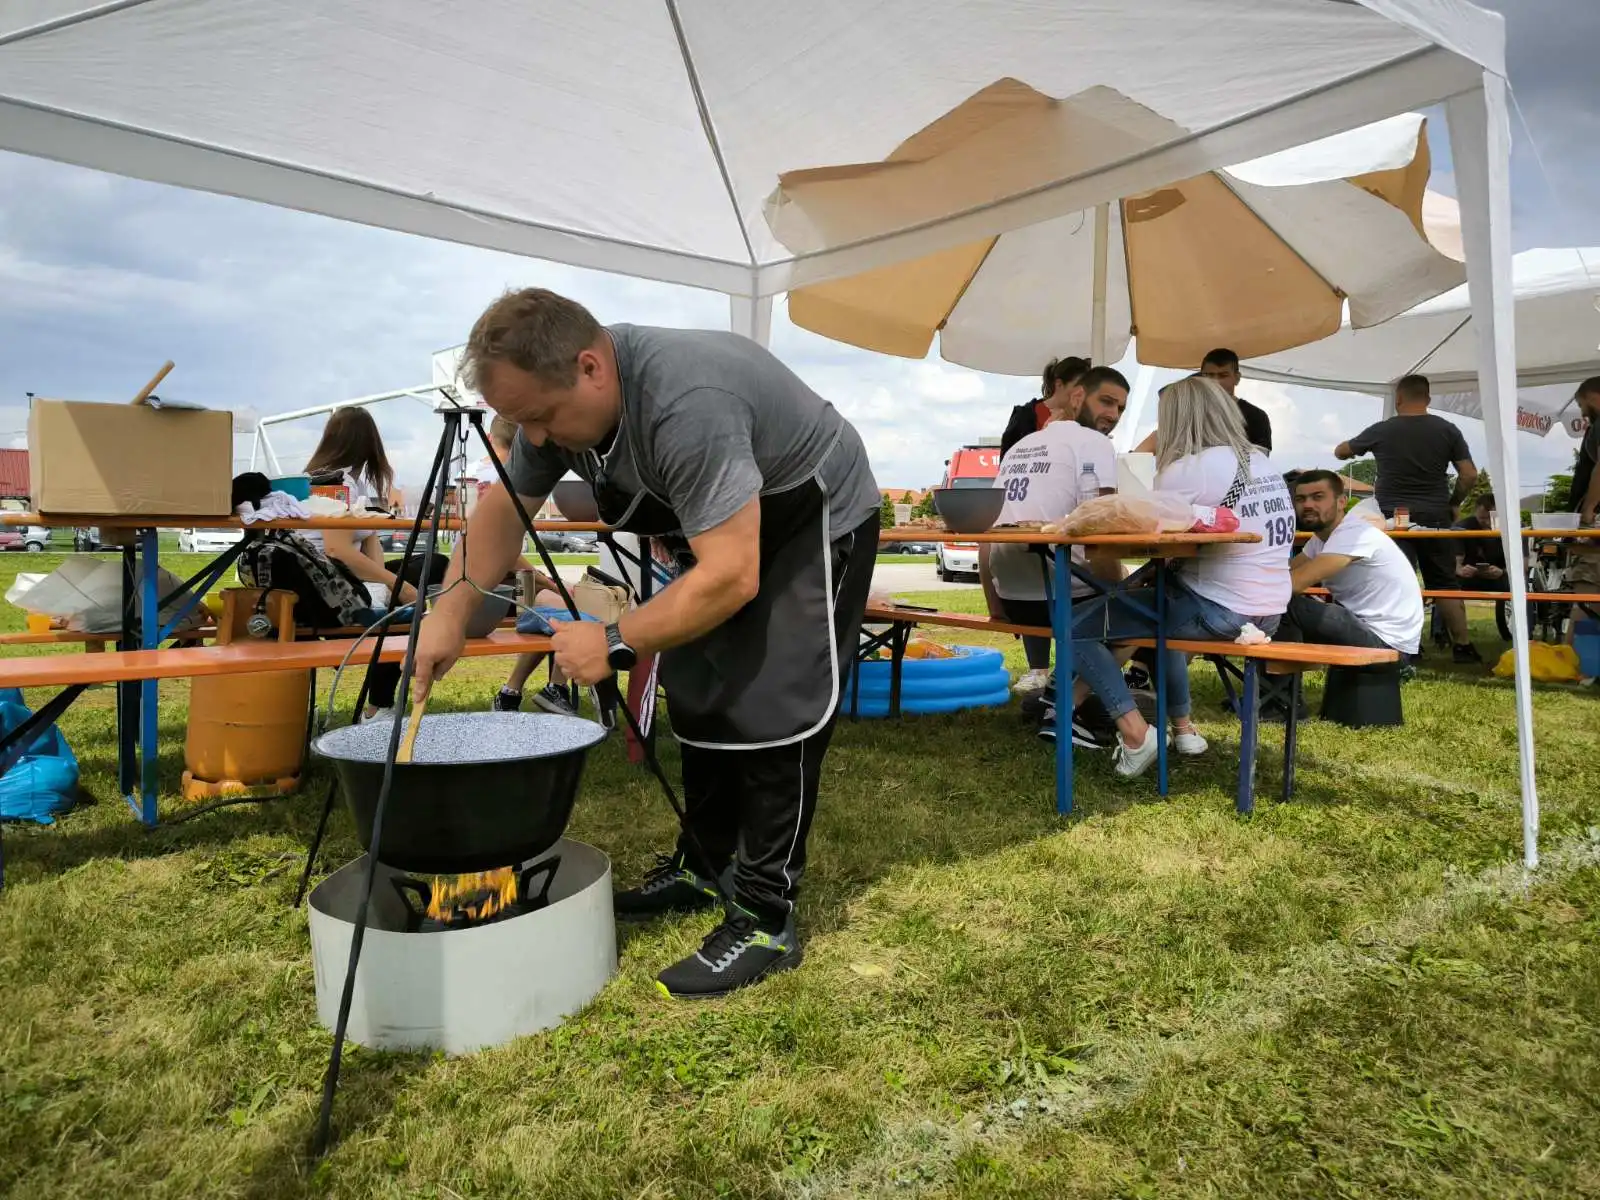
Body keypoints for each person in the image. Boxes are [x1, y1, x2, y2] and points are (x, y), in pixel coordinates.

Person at [413, 288, 880, 998]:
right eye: (520, 421)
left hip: (811, 514)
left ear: (592, 367)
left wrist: (612, 638)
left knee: (772, 703)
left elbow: (732, 575)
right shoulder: (555, 405)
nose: (535, 441)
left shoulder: (687, 403)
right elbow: (505, 507)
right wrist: (448, 613)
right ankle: (703, 865)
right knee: (700, 688)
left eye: (540, 417)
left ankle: (762, 912)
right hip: (726, 525)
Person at [1069, 377, 1292, 778]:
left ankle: (1136, 733)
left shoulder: (1189, 468)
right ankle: (1183, 729)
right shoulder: (1261, 462)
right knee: (1161, 611)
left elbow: (1143, 526)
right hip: (1269, 612)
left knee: (1077, 625)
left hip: (1219, 611)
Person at [980, 366, 1127, 705]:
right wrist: (1116, 591)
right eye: (1106, 401)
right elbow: (1099, 535)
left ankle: (1063, 694)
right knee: (1155, 610)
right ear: (1077, 397)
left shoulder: (1020, 447)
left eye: (1120, 408)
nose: (1113, 414)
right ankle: (1069, 701)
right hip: (1064, 601)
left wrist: (997, 608)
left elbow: (988, 535)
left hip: (1016, 602)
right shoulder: (1094, 444)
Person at [303, 407, 448, 720]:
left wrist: (386, 586)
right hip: (325, 587)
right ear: (368, 443)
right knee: (407, 615)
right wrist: (397, 585)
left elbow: (368, 542)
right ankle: (378, 706)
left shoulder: (329, 480)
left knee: (431, 564)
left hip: (331, 578)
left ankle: (378, 704)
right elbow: (336, 549)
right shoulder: (332, 481)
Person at [1336, 374, 1482, 663]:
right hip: (1436, 516)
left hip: (1393, 518)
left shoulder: (1383, 429)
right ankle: (1462, 646)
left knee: (1396, 581)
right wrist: (1454, 503)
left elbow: (1341, 452)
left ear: (1398, 398)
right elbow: (1470, 474)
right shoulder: (1447, 430)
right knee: (1444, 583)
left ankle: (1404, 645)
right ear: (1427, 399)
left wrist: (1356, 444)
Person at [479, 415, 580, 716]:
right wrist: (548, 582)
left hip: (496, 585)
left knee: (549, 612)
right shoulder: (501, 481)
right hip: (490, 590)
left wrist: (541, 580)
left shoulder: (488, 477)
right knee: (568, 610)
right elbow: (503, 551)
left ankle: (512, 693)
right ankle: (556, 688)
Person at [1283, 470, 1423, 658]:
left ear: (1341, 502)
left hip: (1387, 642)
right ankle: (1281, 680)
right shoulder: (1321, 538)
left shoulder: (1353, 534)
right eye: (1300, 499)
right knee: (1275, 602)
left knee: (1281, 605)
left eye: (1318, 497)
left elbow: (1292, 584)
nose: (1307, 505)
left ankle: (1278, 684)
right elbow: (1286, 572)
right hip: (1367, 629)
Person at [1565, 377, 1600, 643]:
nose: (1581, 411)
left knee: (1587, 584)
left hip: (1596, 518)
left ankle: (1582, 657)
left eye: (1581, 404)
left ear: (1593, 396)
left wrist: (1588, 508)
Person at [1000, 357, 1090, 459]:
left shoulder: (1084, 419)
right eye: (1079, 387)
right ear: (1059, 384)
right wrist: (1044, 437)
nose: (1082, 393)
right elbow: (1007, 463)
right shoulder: (1024, 417)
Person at [1200, 348, 1273, 452]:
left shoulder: (1255, 416)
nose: (1215, 381)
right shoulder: (1187, 413)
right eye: (1209, 375)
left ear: (1237, 378)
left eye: (1223, 375)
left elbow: (1260, 461)